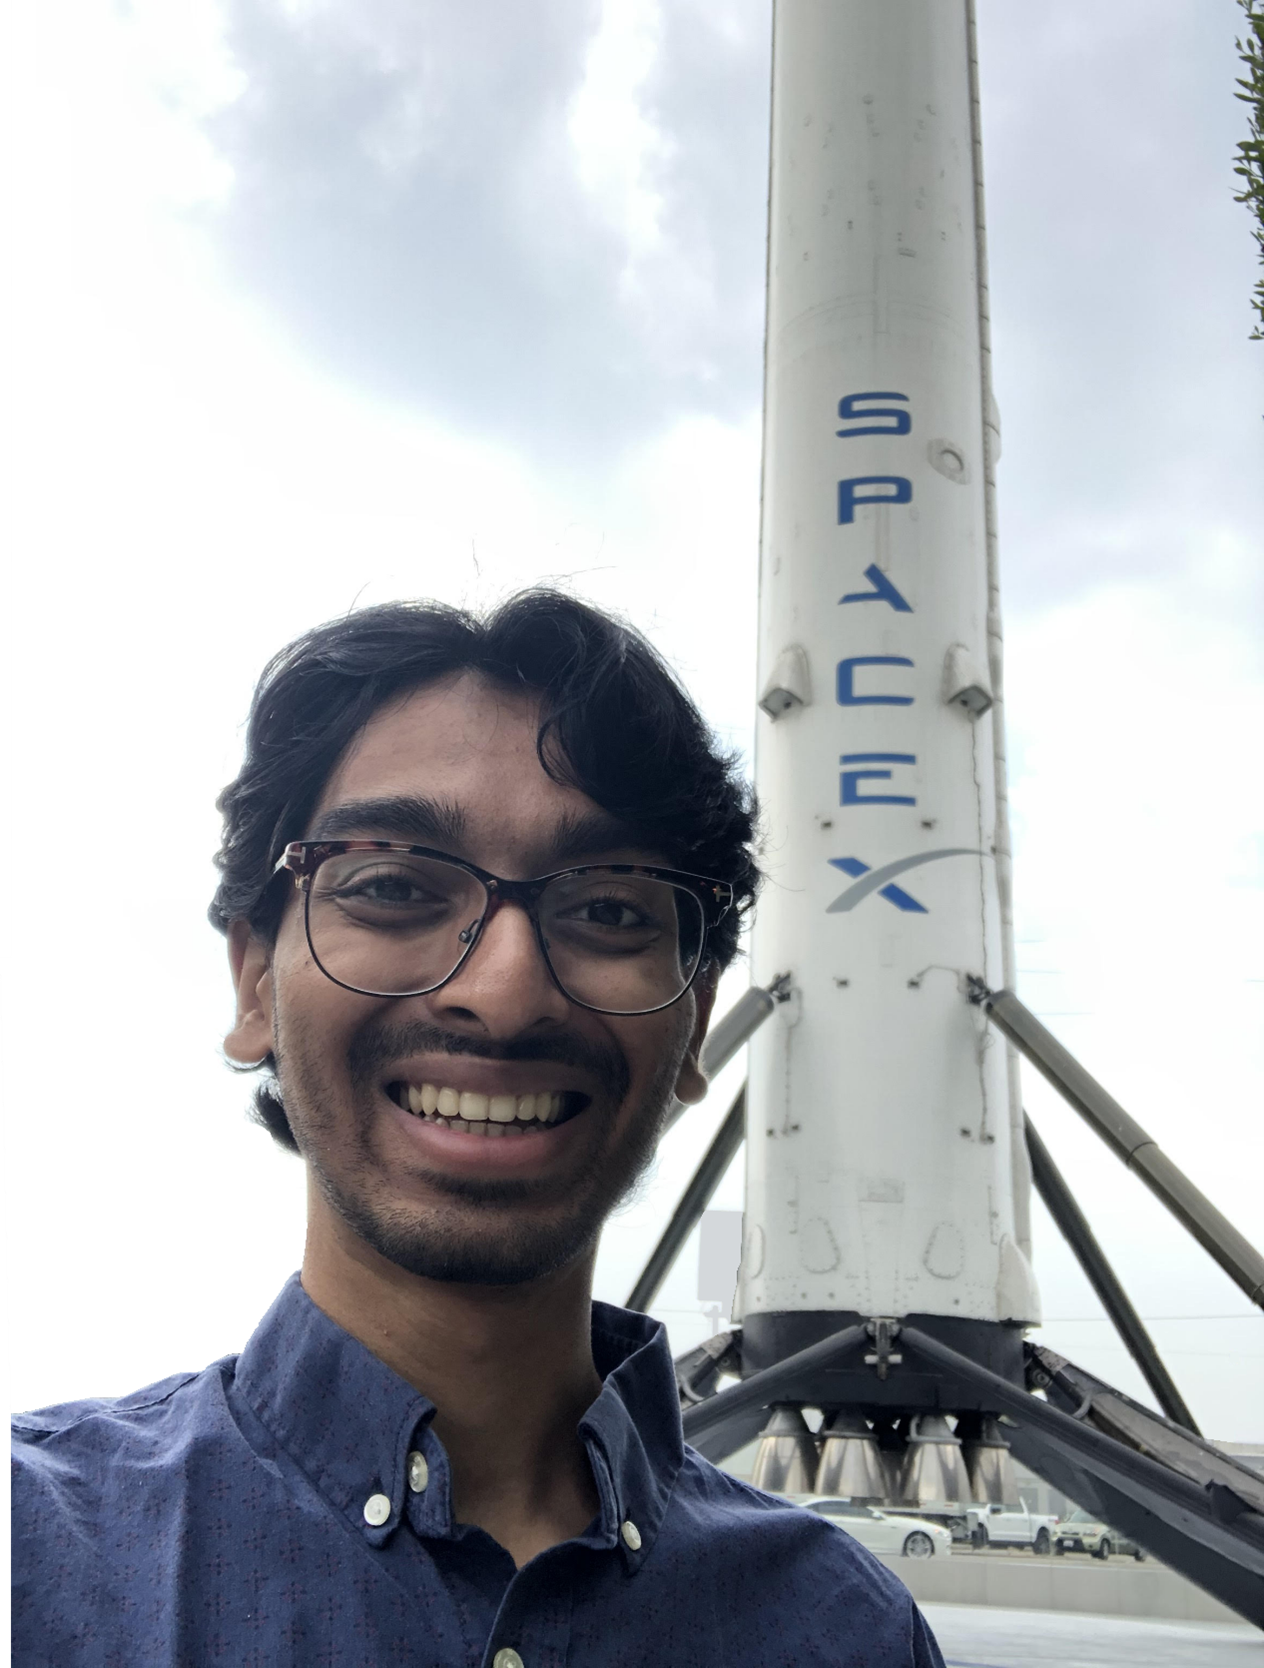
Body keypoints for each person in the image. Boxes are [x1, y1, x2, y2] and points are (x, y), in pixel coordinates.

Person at [11, 591, 944, 1666]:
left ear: (696, 1018)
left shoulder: (842, 1630)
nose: (504, 995)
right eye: (393, 884)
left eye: (608, 908)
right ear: (256, 979)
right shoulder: (38, 1562)